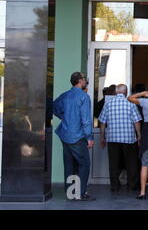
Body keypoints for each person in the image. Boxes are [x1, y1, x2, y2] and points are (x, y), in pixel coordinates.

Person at [53, 71, 95, 201]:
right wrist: (89, 137)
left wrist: (65, 118)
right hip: (78, 135)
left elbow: (54, 107)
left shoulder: (65, 95)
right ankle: (80, 193)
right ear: (80, 81)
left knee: (69, 164)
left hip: (65, 134)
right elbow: (86, 119)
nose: (86, 81)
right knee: (84, 164)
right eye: (85, 79)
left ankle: (70, 193)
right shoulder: (83, 96)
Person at [98, 84, 142, 192]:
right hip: (128, 139)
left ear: (116, 92)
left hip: (112, 138)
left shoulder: (108, 104)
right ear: (126, 92)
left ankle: (114, 186)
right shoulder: (130, 104)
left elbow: (102, 122)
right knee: (131, 162)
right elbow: (137, 121)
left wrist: (102, 137)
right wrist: (139, 135)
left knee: (113, 163)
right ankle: (132, 185)